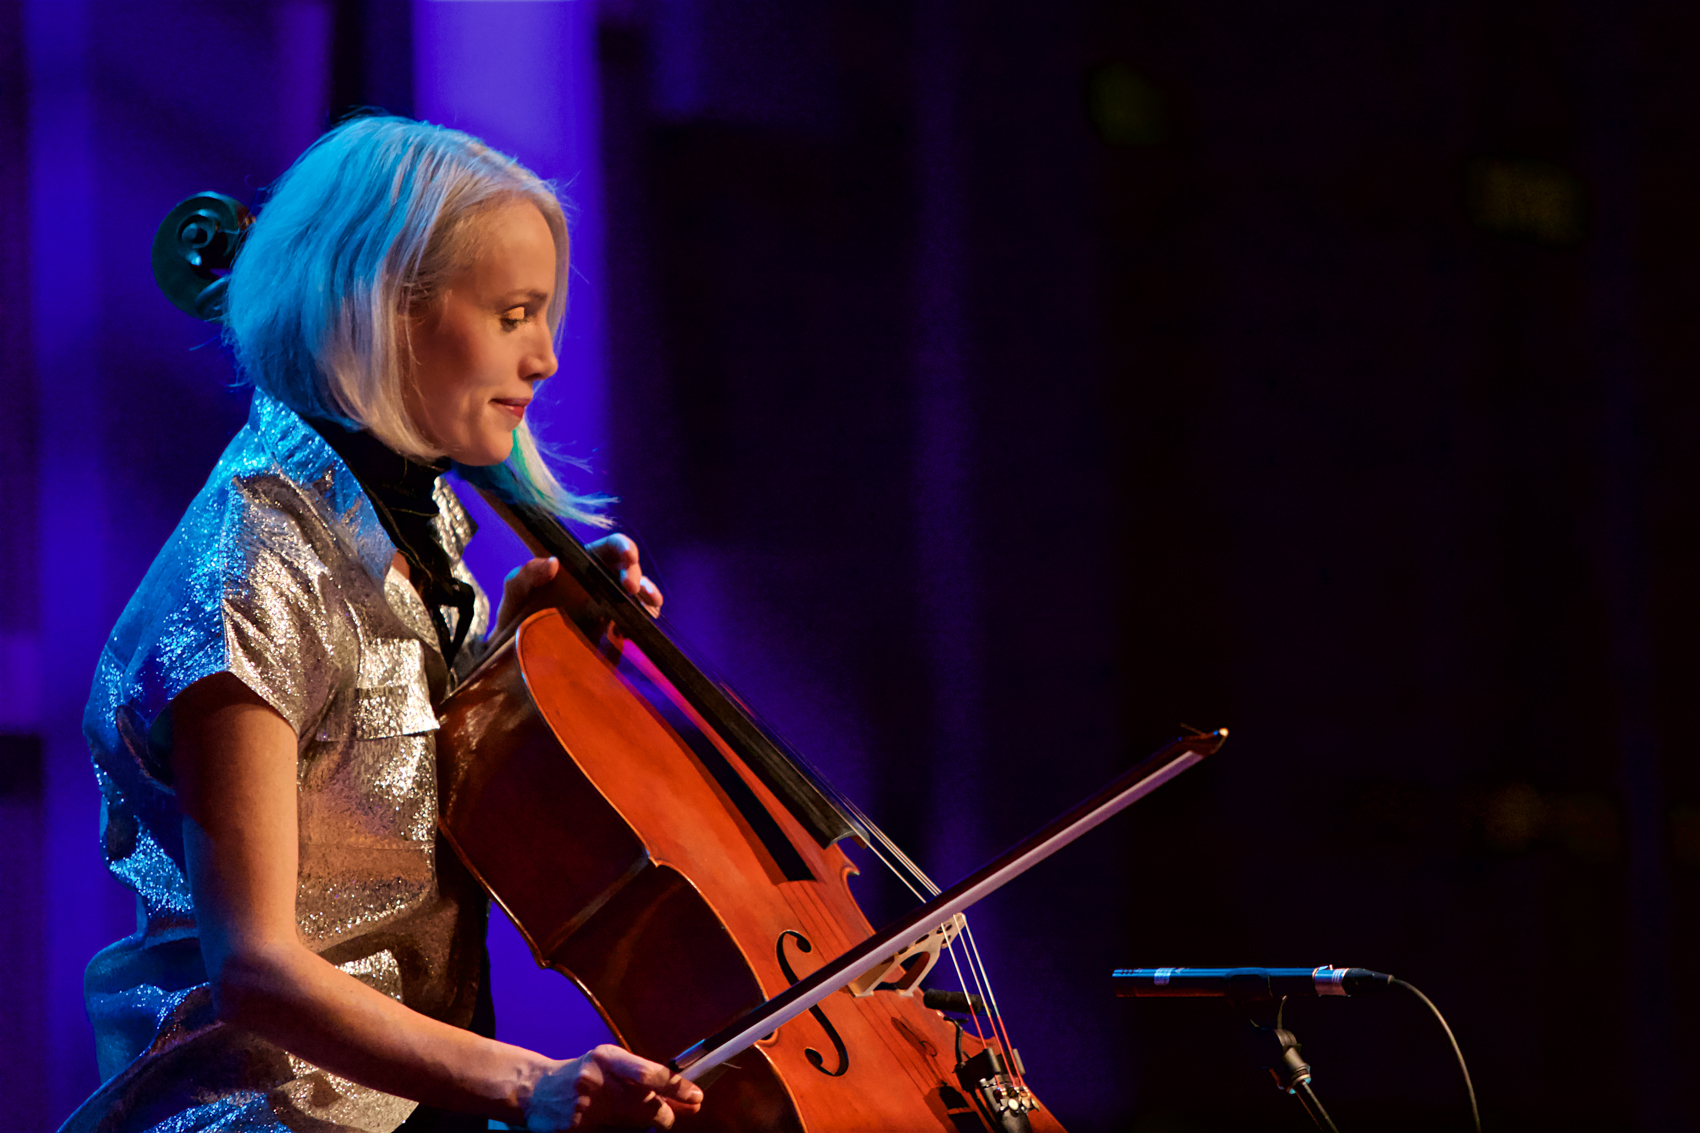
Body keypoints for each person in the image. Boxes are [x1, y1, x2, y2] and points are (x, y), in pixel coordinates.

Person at [57, 116, 702, 1133]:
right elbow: (256, 969)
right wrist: (522, 1080)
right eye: (514, 313)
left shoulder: (419, 526)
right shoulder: (250, 574)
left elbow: (371, 775)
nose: (543, 357)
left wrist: (519, 653)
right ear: (386, 313)